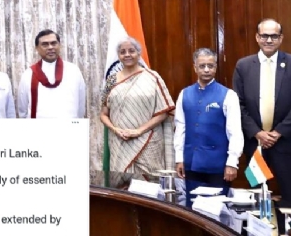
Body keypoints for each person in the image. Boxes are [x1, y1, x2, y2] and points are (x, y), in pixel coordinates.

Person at [233, 19, 291, 208]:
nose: (269, 40)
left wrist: (277, 133)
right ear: (257, 37)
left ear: (281, 38)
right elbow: (238, 104)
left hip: (286, 142)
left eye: (274, 36)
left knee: (290, 198)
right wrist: (257, 133)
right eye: (264, 36)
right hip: (255, 144)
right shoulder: (243, 65)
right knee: (256, 198)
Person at [173, 48, 244, 207]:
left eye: (210, 66)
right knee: (192, 210)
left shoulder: (228, 95)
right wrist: (179, 159)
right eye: (202, 66)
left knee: (216, 211)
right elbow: (180, 128)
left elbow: (235, 132)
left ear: (215, 67)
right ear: (195, 67)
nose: (206, 70)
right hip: (191, 163)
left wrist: (232, 162)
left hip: (218, 166)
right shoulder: (184, 94)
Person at [100, 37, 176, 176]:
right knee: (122, 183)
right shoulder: (111, 80)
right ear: (118, 56)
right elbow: (103, 114)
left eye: (131, 51)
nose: (127, 55)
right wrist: (115, 129)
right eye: (123, 52)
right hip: (120, 142)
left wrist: (138, 131)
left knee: (151, 184)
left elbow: (164, 111)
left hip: (148, 141)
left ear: (139, 53)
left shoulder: (153, 77)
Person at [17, 29, 86, 118]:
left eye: (54, 43)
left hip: (69, 126)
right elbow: (23, 109)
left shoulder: (74, 71)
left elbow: (81, 105)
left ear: (59, 45)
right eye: (45, 44)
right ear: (37, 48)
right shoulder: (28, 74)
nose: (50, 47)